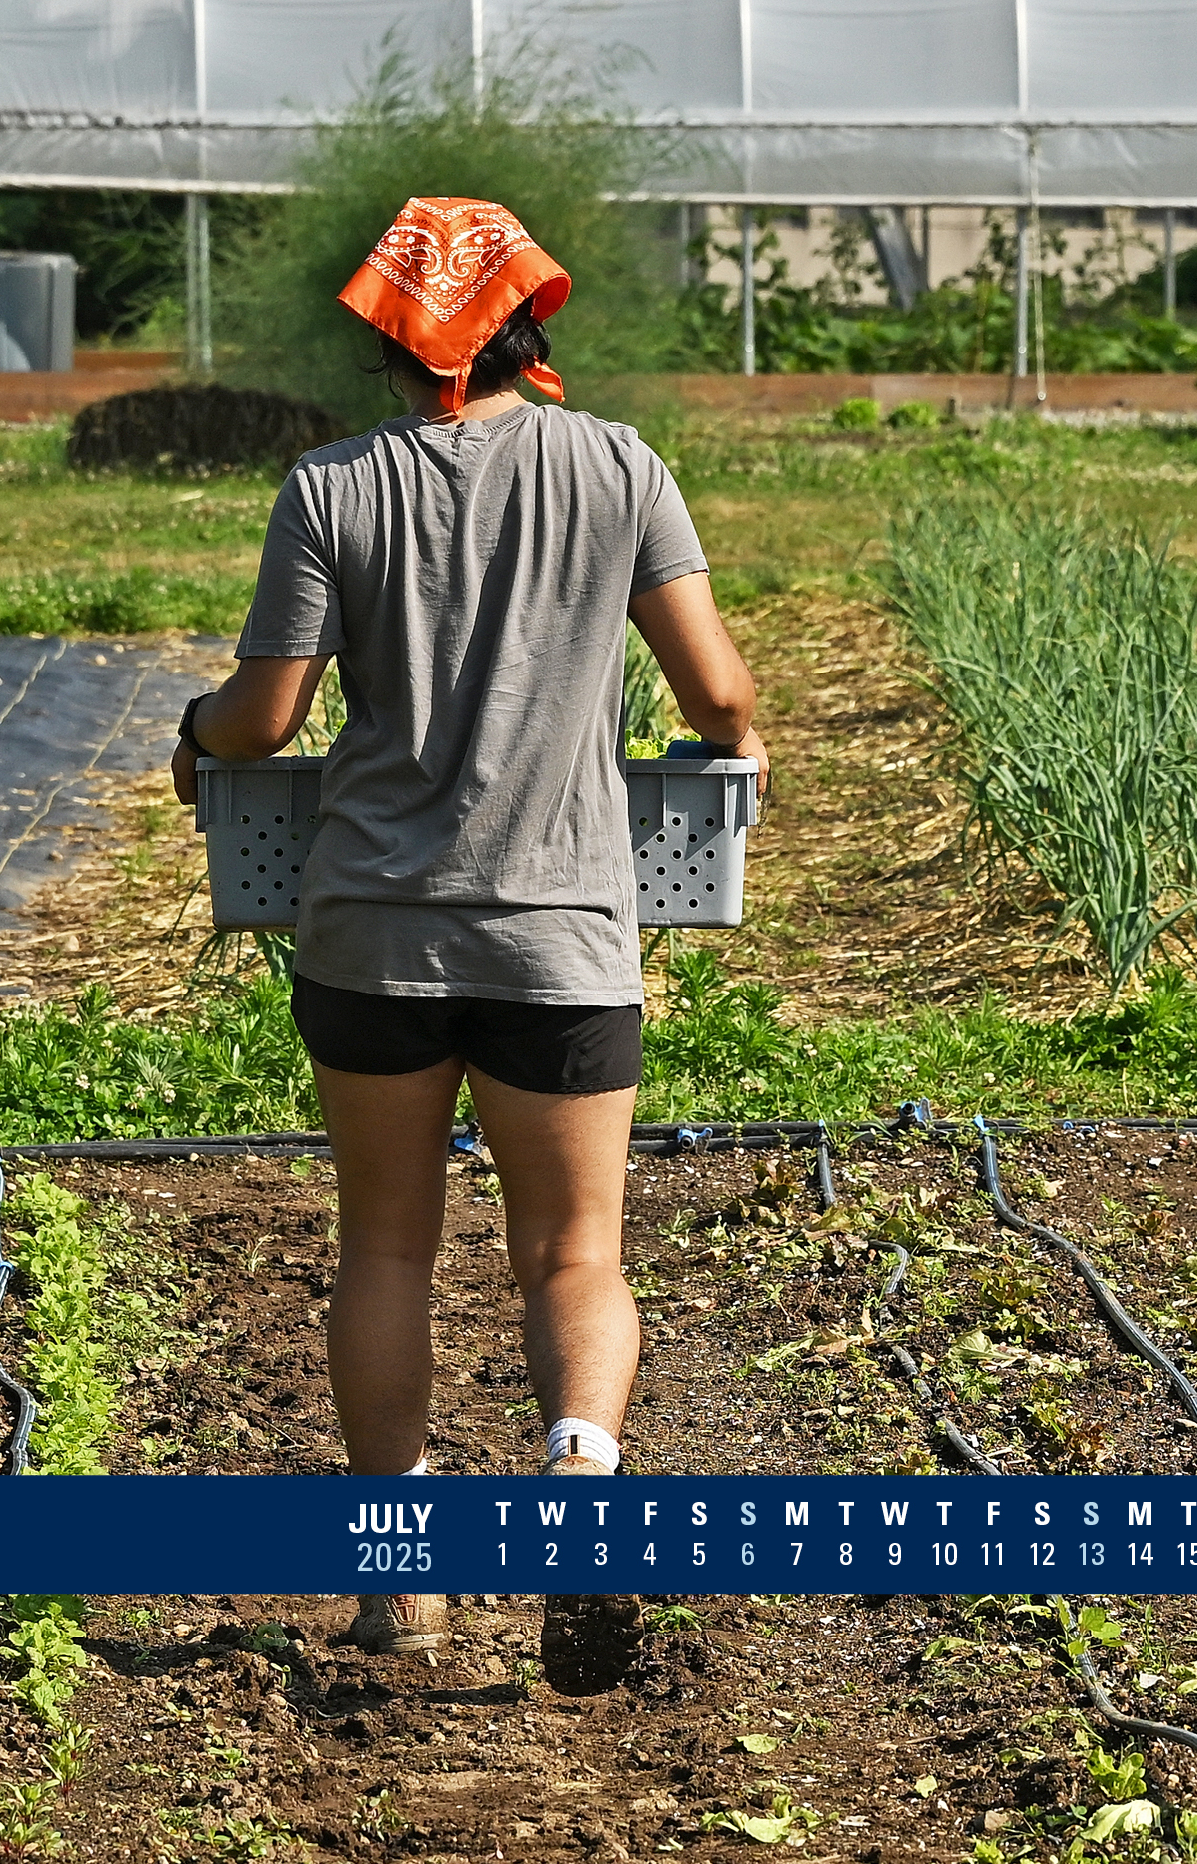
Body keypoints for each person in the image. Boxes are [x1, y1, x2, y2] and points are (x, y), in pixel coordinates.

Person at [170, 195, 763, 1665]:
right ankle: (577, 1469)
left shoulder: (330, 488)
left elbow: (268, 716)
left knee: (384, 1250)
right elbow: (723, 702)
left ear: (388, 328)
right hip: (563, 933)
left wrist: (194, 729)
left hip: (371, 931)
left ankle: (400, 1583)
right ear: (527, 317)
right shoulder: (618, 467)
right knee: (574, 1253)